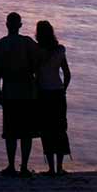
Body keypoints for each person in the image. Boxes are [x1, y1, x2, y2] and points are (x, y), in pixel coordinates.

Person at [0, 12, 38, 177]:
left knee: (10, 132)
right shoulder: (28, 43)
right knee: (26, 133)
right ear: (20, 25)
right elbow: (37, 66)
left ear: (6, 25)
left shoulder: (0, 44)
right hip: (27, 92)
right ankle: (24, 167)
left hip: (10, 92)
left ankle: (11, 165)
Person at [34, 20, 72, 175]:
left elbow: (34, 74)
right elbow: (67, 74)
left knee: (46, 129)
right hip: (58, 92)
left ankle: (50, 168)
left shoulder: (36, 51)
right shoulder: (60, 50)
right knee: (60, 128)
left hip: (43, 93)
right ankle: (60, 167)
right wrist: (64, 89)